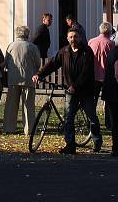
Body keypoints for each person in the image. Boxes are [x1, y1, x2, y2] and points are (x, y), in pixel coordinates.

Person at [33, 26, 102, 154]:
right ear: (67, 38)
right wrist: (40, 74)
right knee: (68, 118)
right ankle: (70, 145)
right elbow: (52, 64)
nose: (73, 39)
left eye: (75, 37)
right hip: (70, 91)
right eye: (70, 37)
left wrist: (75, 86)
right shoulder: (64, 52)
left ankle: (97, 140)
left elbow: (86, 73)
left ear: (80, 37)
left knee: (92, 118)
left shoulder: (87, 52)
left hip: (85, 91)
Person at [4, 25, 41, 135]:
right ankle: (29, 129)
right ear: (27, 34)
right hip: (28, 79)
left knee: (11, 106)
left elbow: (6, 62)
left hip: (13, 79)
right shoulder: (32, 47)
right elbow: (38, 63)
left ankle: (9, 128)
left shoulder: (11, 46)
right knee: (28, 106)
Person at [88, 22, 115, 101]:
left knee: (93, 99)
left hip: (93, 74)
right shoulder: (111, 44)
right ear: (110, 31)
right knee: (108, 99)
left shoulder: (91, 41)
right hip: (107, 74)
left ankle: (92, 113)